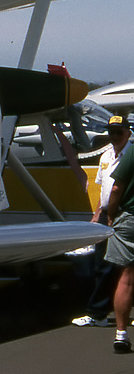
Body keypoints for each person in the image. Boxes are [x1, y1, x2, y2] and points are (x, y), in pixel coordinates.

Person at [76, 116, 134, 330]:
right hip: (106, 213)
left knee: (124, 267)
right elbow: (104, 189)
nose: (114, 136)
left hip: (124, 212)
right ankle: (99, 312)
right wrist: (97, 213)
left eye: (119, 132)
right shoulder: (105, 156)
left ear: (128, 133)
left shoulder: (132, 154)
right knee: (102, 263)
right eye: (111, 132)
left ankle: (103, 310)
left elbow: (118, 189)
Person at [98, 125, 134, 353]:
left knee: (127, 276)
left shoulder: (132, 152)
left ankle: (121, 333)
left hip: (130, 217)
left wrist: (110, 214)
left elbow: (117, 186)